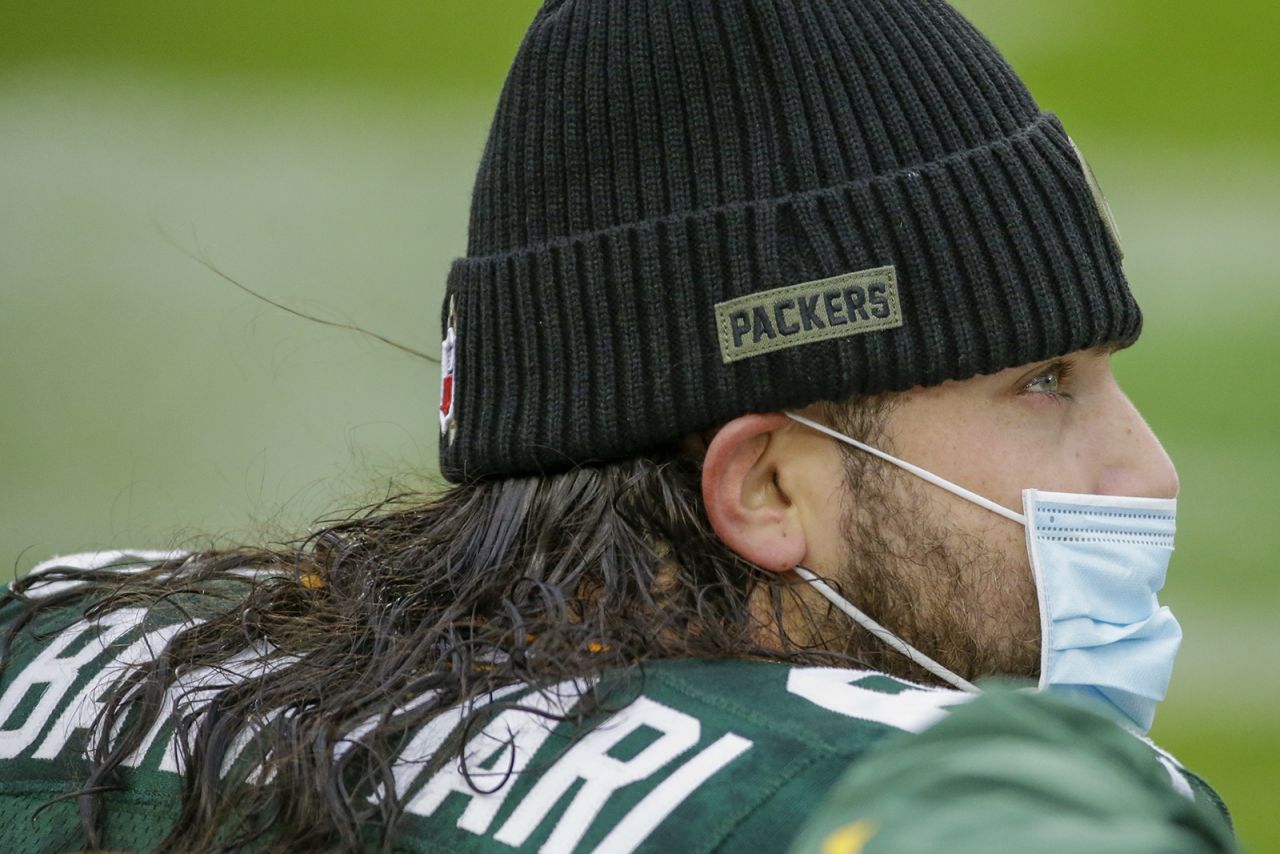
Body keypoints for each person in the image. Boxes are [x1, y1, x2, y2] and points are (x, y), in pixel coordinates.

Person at [0, 1, 1239, 851]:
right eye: (1042, 380)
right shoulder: (961, 797)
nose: (1142, 470)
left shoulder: (63, 633)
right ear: (762, 484)